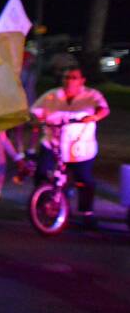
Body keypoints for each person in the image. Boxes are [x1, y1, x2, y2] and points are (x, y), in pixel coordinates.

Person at [31, 65, 109, 221]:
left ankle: (86, 212)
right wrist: (39, 118)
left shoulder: (91, 95)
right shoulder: (52, 95)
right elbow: (36, 111)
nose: (69, 81)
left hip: (80, 147)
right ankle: (42, 202)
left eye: (73, 77)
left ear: (82, 80)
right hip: (54, 143)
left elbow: (103, 109)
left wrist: (94, 117)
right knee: (41, 171)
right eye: (66, 77)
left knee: (84, 179)